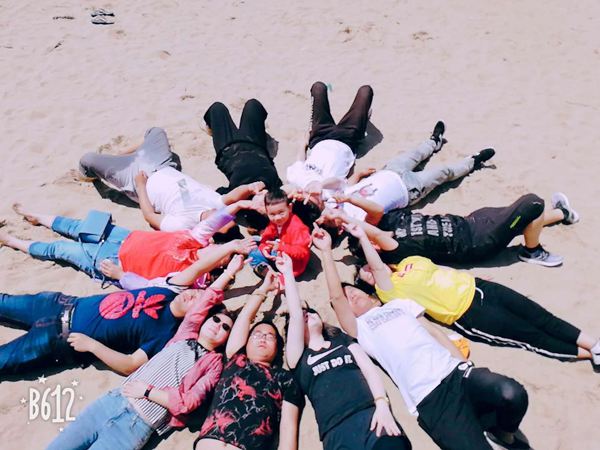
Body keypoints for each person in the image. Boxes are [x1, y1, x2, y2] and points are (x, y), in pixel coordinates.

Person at [312, 225, 531, 450]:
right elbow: (336, 297)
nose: (351, 296)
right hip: (428, 398)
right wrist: (326, 251)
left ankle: (502, 434)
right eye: (347, 299)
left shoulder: (398, 304)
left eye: (352, 291)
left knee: (513, 394)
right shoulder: (360, 329)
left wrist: (462, 363)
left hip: (455, 372)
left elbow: (433, 332)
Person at [46, 256, 244, 450]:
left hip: (136, 426)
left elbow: (188, 403)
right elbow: (205, 301)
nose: (218, 326)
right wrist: (229, 272)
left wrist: (148, 392)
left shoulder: (214, 364)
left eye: (226, 327)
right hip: (112, 401)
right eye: (216, 320)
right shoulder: (185, 334)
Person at [349, 222, 600, 369]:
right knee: (531, 337)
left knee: (540, 316)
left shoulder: (406, 262)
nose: (370, 271)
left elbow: (439, 269)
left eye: (367, 267)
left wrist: (471, 278)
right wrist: (361, 237)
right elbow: (378, 267)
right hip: (470, 314)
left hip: (479, 288)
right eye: (367, 276)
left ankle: (594, 345)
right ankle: (589, 354)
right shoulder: (388, 292)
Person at [0, 247, 247, 378]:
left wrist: (92, 346)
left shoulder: (165, 334)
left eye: (198, 302)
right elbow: (200, 267)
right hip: (59, 303)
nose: (192, 294)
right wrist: (232, 248)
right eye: (196, 292)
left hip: (58, 339)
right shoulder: (170, 289)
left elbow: (131, 365)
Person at [279, 252, 412, 450]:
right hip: (335, 431)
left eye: (311, 312)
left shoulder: (341, 340)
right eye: (302, 316)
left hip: (372, 415)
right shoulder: (299, 358)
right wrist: (287, 272)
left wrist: (382, 404)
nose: (307, 315)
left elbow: (368, 370)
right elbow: (296, 314)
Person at [1, 201, 257, 282]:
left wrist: (121, 276)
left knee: (59, 249)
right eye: (221, 246)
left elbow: (152, 286)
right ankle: (37, 217)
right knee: (75, 225)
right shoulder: (196, 239)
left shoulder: (192, 276)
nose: (218, 248)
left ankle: (12, 241)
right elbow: (216, 220)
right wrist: (241, 204)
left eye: (223, 254)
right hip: (122, 236)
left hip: (112, 262)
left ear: (218, 264)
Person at [327, 190, 579, 267]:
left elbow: (376, 212)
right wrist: (344, 218)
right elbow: (375, 234)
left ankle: (563, 214)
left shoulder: (386, 222)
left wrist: (348, 199)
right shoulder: (392, 250)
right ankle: (532, 251)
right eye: (367, 240)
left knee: (519, 218)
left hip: (469, 222)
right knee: (532, 204)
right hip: (477, 243)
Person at [196, 271, 304, 450]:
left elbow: (288, 428)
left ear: (277, 347)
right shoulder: (235, 358)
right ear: (246, 342)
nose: (262, 337)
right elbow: (245, 317)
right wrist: (264, 288)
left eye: (270, 336)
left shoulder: (285, 378)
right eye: (257, 334)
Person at [323, 122, 496, 224]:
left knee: (415, 153)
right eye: (330, 217)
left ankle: (434, 141)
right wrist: (349, 200)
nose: (329, 211)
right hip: (409, 189)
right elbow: (378, 212)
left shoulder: (335, 203)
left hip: (390, 171)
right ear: (338, 227)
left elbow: (348, 186)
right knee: (444, 172)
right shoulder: (357, 222)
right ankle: (473, 161)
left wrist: (359, 174)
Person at [203, 99, 282, 230]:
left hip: (228, 149)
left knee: (217, 108)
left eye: (261, 205)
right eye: (267, 203)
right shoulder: (274, 188)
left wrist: (243, 195)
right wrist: (265, 185)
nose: (264, 199)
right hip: (255, 144)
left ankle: (211, 127)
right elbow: (290, 190)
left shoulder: (238, 195)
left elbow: (218, 195)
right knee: (253, 104)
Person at [285, 81, 373, 196]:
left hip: (320, 137)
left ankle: (361, 116)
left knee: (318, 87)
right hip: (347, 140)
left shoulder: (296, 180)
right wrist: (320, 185)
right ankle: (363, 117)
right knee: (366, 91)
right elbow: (342, 183)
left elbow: (299, 162)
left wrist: (303, 145)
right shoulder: (328, 195)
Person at [79, 127, 180, 201]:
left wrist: (141, 185)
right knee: (156, 131)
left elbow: (149, 214)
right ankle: (129, 153)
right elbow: (181, 183)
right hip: (161, 165)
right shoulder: (184, 187)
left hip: (138, 180)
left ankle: (90, 176)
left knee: (87, 159)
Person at [248, 188, 311, 278]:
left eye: (281, 212)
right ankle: (268, 272)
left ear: (290, 208)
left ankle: (275, 277)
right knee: (253, 249)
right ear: (267, 212)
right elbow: (267, 236)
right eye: (272, 214)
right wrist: (265, 248)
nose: (277, 218)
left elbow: (303, 253)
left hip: (292, 262)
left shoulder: (297, 228)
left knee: (255, 251)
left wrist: (281, 247)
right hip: (279, 248)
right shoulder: (276, 222)